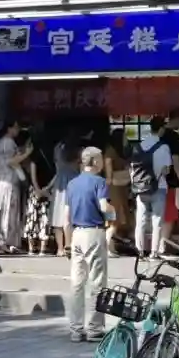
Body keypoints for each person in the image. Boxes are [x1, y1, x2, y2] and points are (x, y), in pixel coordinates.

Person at [64, 146, 113, 342]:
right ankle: (94, 328)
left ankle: (76, 329)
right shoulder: (99, 182)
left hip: (76, 234)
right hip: (94, 232)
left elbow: (66, 218)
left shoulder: (72, 184)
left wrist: (67, 242)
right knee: (97, 282)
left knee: (77, 283)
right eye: (100, 159)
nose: (102, 163)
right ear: (94, 161)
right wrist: (114, 213)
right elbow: (104, 206)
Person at [134, 116, 173, 259]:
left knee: (141, 221)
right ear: (161, 129)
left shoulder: (139, 146)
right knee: (157, 221)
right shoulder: (163, 147)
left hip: (140, 187)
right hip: (159, 187)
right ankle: (154, 252)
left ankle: (139, 251)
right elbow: (166, 170)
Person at [0, 122, 31, 254]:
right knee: (8, 214)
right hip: (7, 183)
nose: (18, 130)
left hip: (5, 182)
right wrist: (27, 153)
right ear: (9, 128)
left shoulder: (4, 142)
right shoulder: (7, 142)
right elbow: (11, 161)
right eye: (16, 127)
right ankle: (6, 243)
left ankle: (6, 243)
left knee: (7, 214)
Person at [159, 109, 179, 249]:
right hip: (171, 181)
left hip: (155, 181)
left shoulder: (157, 134)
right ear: (178, 119)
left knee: (158, 215)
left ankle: (157, 245)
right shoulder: (173, 137)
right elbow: (176, 160)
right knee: (170, 215)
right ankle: (162, 246)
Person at [21, 131, 52, 256]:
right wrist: (47, 188)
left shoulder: (34, 158)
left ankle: (31, 248)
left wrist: (37, 189)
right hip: (47, 190)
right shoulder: (51, 156)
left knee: (32, 217)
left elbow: (33, 175)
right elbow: (56, 174)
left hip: (34, 190)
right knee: (45, 218)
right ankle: (43, 248)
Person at [50, 133, 81, 257]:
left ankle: (60, 248)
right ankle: (70, 245)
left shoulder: (57, 149)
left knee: (58, 215)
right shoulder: (79, 150)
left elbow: (57, 168)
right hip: (74, 180)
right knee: (71, 215)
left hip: (60, 182)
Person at [104, 129, 132, 258]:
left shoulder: (117, 151)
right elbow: (109, 174)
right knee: (114, 220)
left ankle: (111, 247)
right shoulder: (110, 151)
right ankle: (106, 247)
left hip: (118, 189)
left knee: (115, 220)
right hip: (114, 190)